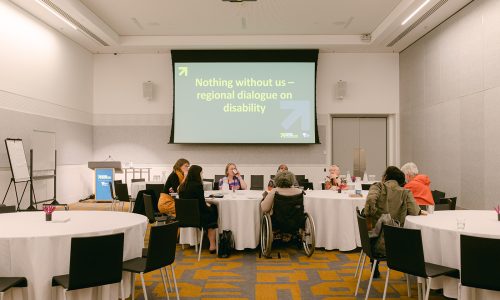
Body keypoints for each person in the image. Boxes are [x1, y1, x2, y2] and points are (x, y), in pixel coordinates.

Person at [363, 166, 426, 277]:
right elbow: (415, 211)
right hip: (396, 243)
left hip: (374, 242)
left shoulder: (378, 186)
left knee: (376, 228)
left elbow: (370, 200)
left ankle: (374, 264)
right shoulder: (405, 192)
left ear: (386, 177)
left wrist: (370, 216)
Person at [178, 165, 218, 253]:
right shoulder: (197, 186)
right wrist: (210, 207)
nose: (202, 175)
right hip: (197, 218)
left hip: (184, 217)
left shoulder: (182, 186)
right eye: (201, 173)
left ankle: (206, 240)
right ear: (197, 174)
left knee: (210, 211)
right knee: (214, 211)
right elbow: (202, 206)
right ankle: (212, 244)